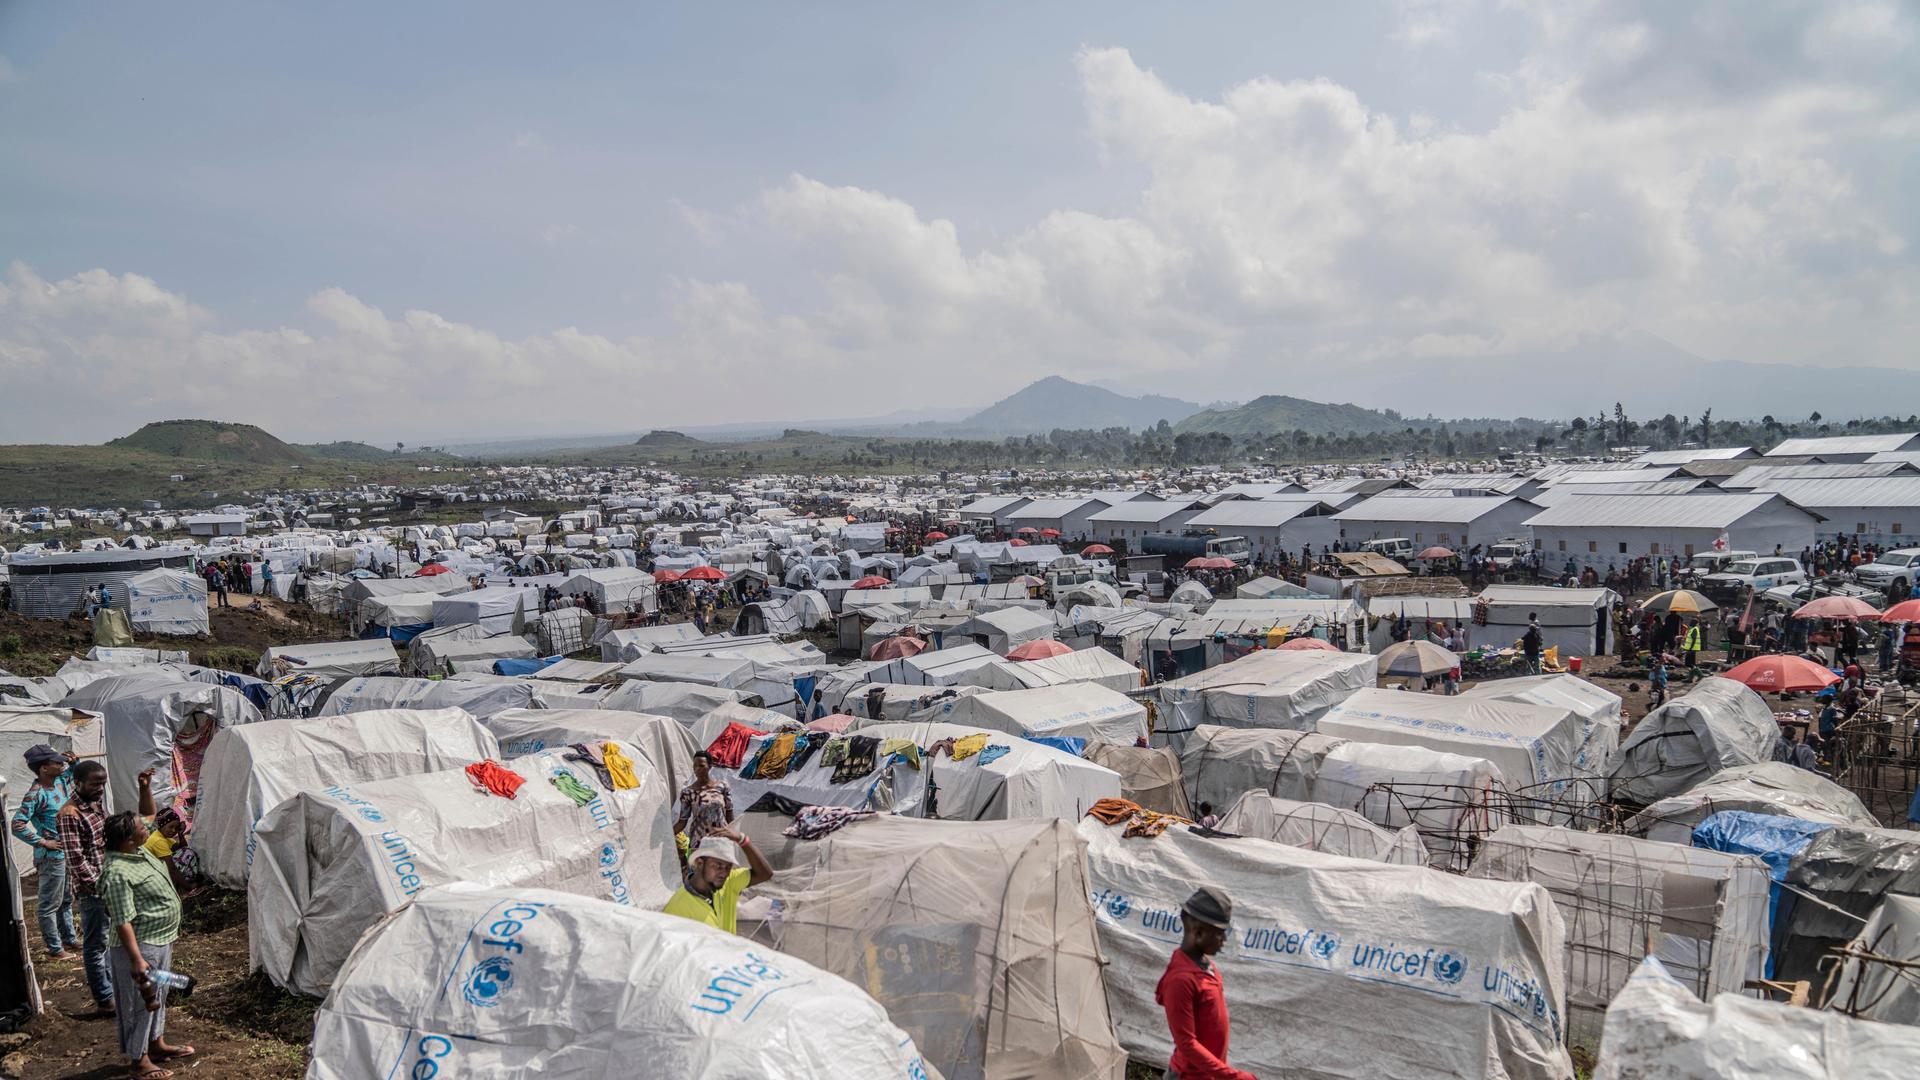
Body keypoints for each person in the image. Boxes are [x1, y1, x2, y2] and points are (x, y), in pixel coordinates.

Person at [100, 795, 195, 1079]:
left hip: (159, 938)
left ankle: (156, 1044)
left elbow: (149, 816)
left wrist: (145, 787)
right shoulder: (117, 872)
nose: (149, 828)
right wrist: (137, 960)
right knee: (139, 1003)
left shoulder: (138, 852)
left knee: (160, 995)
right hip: (140, 946)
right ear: (129, 839)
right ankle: (138, 1061)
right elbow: (122, 920)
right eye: (142, 828)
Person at [1155, 886, 1256, 1080]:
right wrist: (1232, 1076)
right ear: (1199, 932)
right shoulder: (1181, 980)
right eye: (1220, 933)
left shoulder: (1207, 967)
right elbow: (1186, 1044)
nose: (1224, 940)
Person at [59, 758, 119, 1016]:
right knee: (95, 944)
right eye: (95, 784)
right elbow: (76, 860)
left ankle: (111, 989)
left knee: (108, 941)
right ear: (78, 782)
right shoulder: (69, 814)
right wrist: (100, 889)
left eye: (103, 784)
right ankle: (104, 999)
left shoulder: (96, 805)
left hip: (107, 883)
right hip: (92, 891)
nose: (100, 789)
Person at [11, 744, 77, 961]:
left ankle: (69, 938)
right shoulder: (36, 794)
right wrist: (42, 842)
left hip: (64, 853)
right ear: (43, 769)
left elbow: (73, 775)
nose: (61, 764)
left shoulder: (58, 781)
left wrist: (74, 763)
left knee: (66, 899)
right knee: (49, 904)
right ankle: (55, 948)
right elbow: (17, 824)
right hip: (51, 858)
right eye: (56, 762)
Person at [660, 826, 772, 936]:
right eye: (717, 866)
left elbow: (765, 874)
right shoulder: (678, 908)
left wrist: (743, 840)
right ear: (699, 863)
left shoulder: (728, 882)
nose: (724, 873)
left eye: (728, 867)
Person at [671, 751, 735, 869]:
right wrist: (667, 835)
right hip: (699, 841)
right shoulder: (687, 792)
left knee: (721, 875)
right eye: (695, 766)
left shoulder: (722, 787)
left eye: (701, 765)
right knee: (699, 878)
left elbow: (729, 814)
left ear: (710, 766)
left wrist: (733, 835)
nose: (697, 769)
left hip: (720, 839)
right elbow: (682, 822)